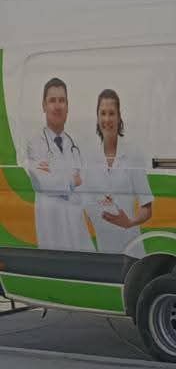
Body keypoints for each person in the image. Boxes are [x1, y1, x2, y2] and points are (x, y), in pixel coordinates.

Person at [84, 89, 154, 256]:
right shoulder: (89, 157)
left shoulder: (133, 154)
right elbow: (85, 201)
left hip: (131, 248)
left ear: (119, 117)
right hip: (104, 249)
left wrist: (130, 222)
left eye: (111, 113)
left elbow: (147, 208)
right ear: (97, 117)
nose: (107, 119)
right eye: (103, 113)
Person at [24, 78, 91, 250]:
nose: (57, 106)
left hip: (77, 229)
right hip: (51, 228)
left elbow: (85, 185)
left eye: (62, 100)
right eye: (52, 100)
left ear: (67, 106)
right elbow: (44, 183)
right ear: (44, 106)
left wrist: (58, 178)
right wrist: (72, 181)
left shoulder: (75, 146)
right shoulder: (35, 143)